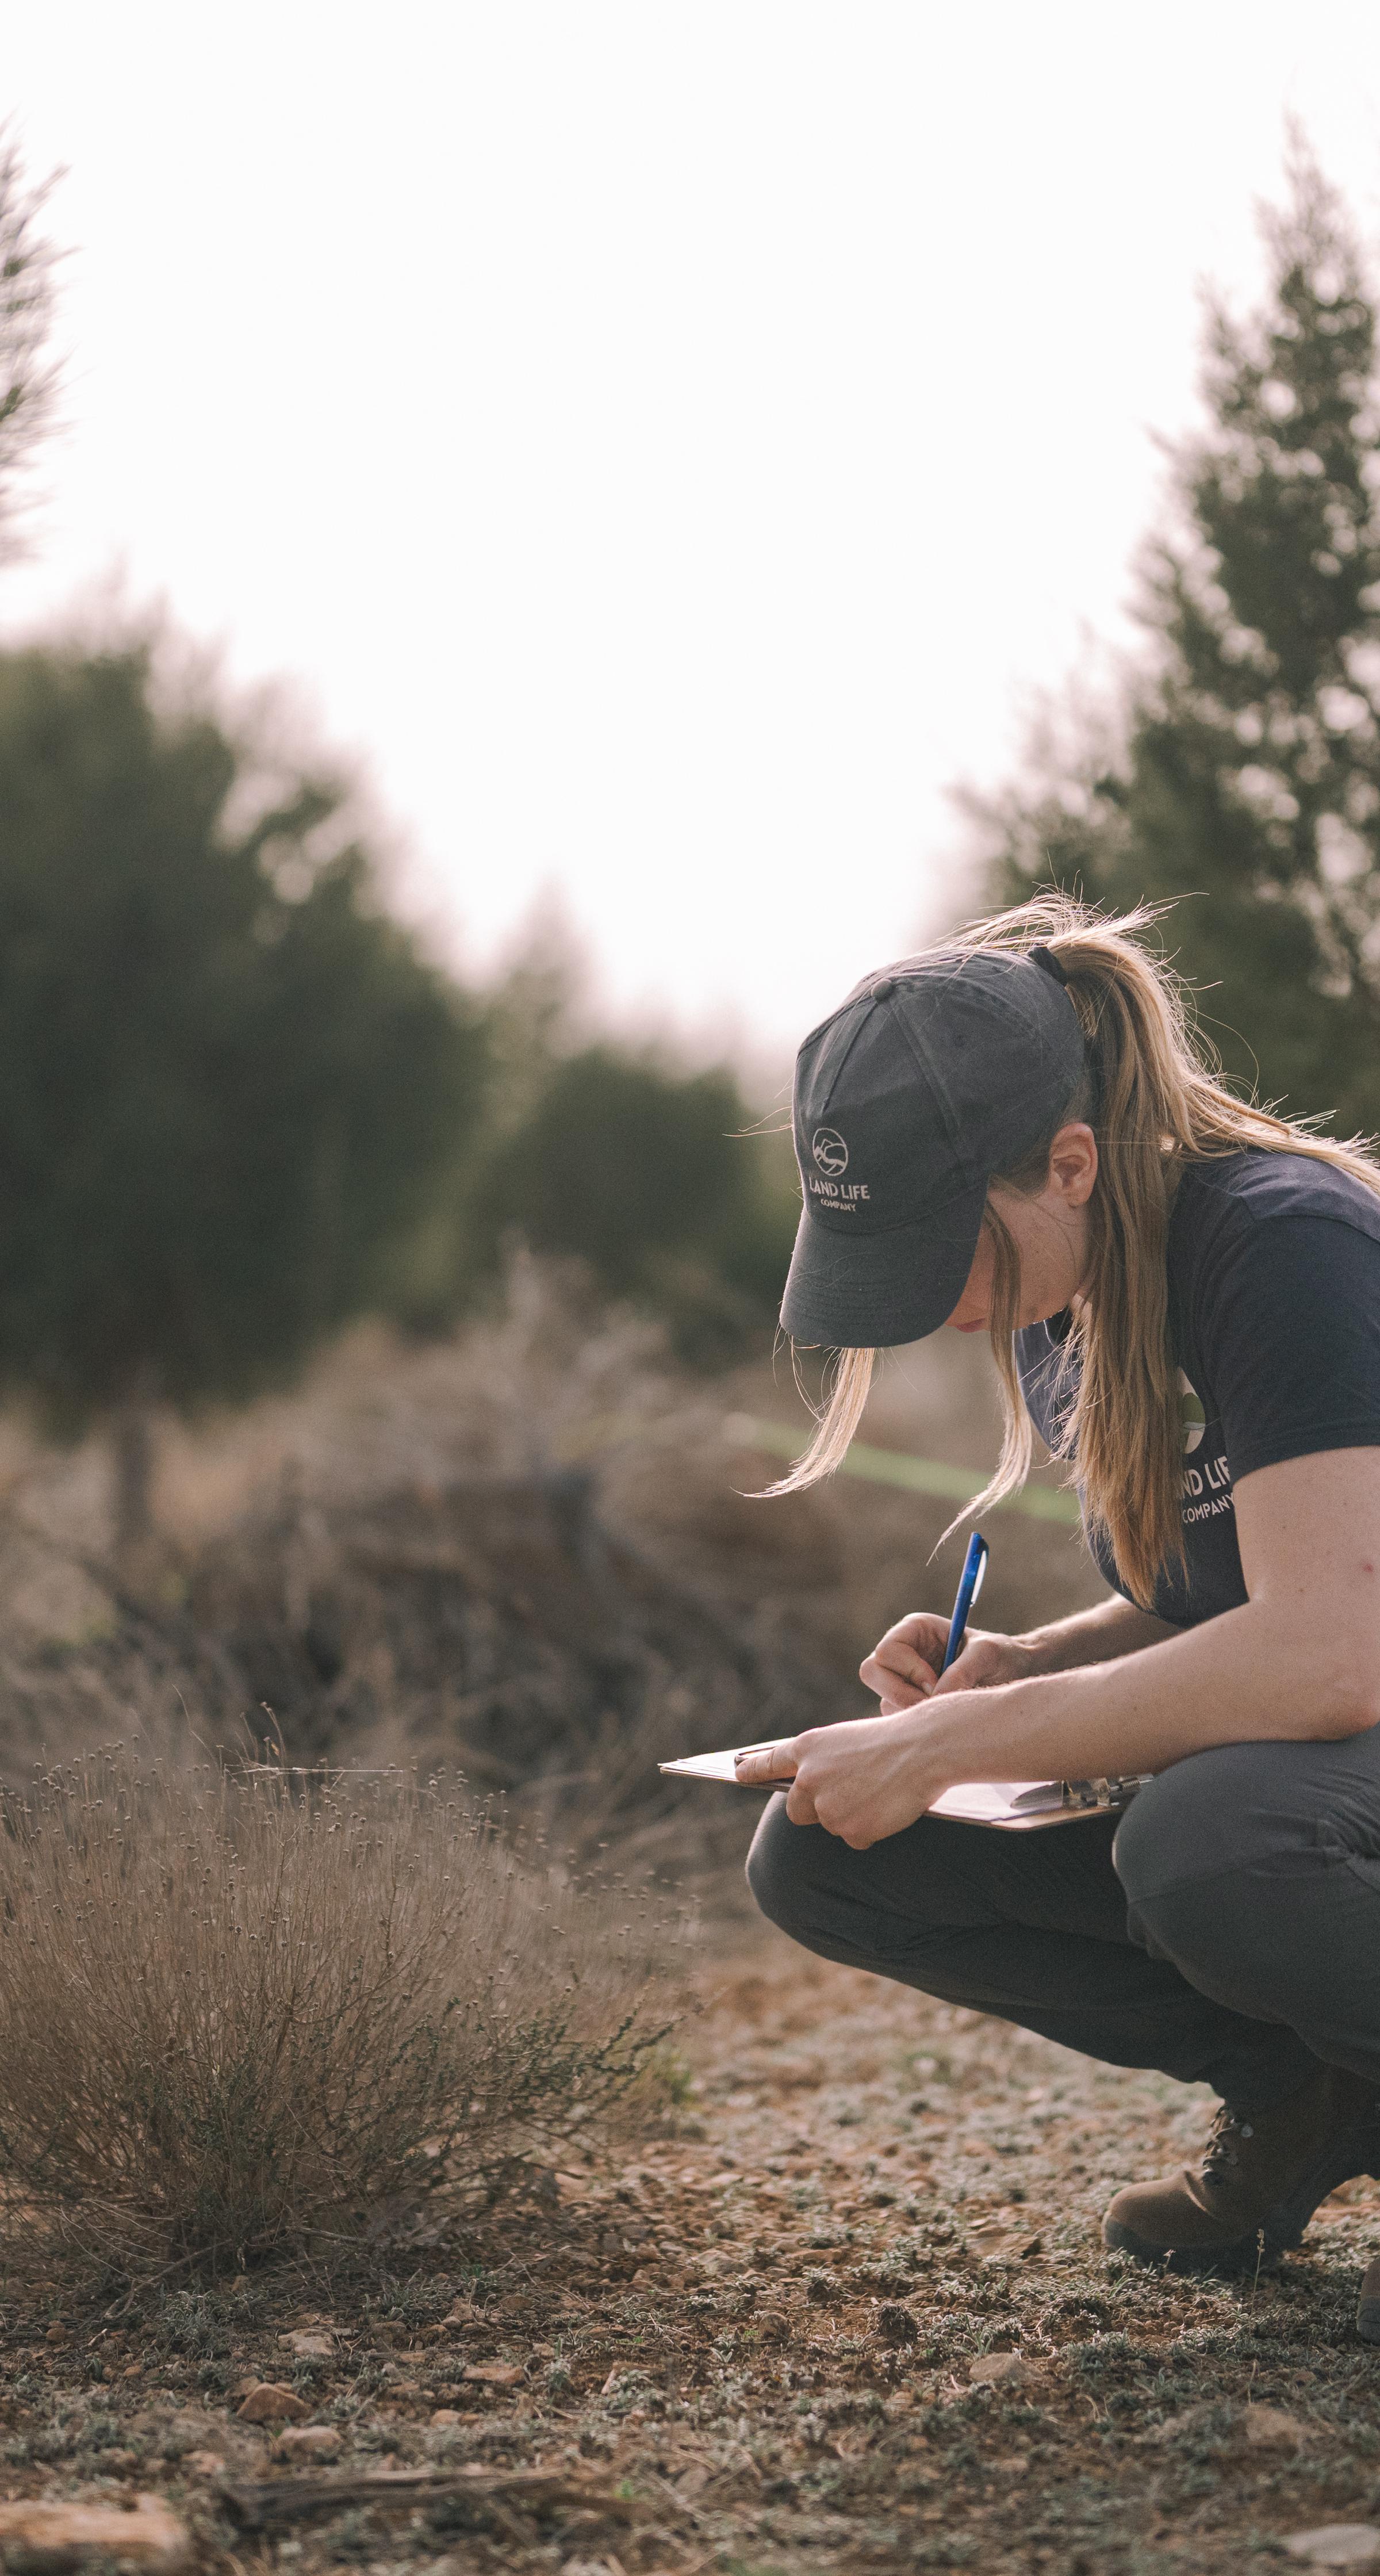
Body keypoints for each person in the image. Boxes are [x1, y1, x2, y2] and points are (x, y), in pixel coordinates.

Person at [737, 897, 1380, 2326]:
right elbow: (1221, 1595)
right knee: (823, 1853)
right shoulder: (1065, 1292)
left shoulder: (1285, 1247)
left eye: (944, 1258)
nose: (945, 1313)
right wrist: (1020, 1666)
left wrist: (958, 1741)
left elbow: (1335, 1651)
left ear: (1070, 1164)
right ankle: (1315, 2088)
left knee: (1215, 1840)